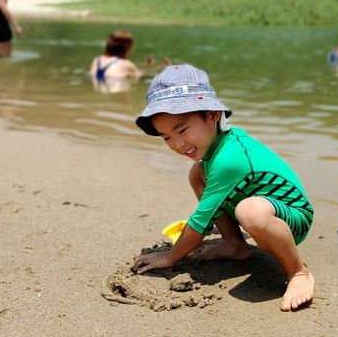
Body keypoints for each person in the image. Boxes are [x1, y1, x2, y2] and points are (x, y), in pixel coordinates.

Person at [132, 65, 315, 312]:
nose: (176, 144)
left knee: (250, 212)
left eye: (182, 130)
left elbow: (201, 222)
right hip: (262, 205)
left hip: (292, 218)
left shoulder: (230, 158)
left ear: (213, 115)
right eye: (166, 137)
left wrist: (170, 257)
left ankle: (298, 273)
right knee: (198, 172)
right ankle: (234, 245)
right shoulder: (216, 147)